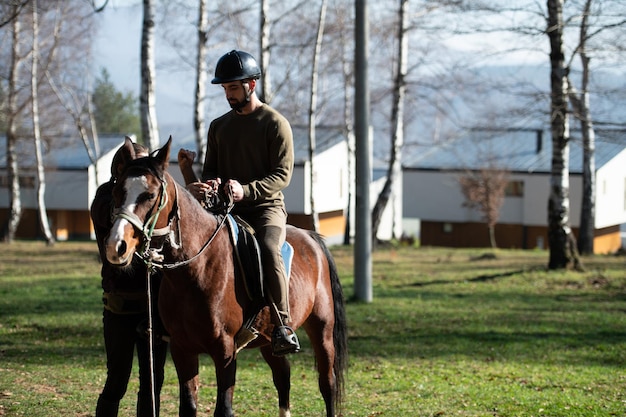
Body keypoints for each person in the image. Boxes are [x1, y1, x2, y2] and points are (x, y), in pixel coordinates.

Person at [185, 49, 300, 356]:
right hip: (225, 209)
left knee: (268, 249)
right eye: (225, 89)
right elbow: (212, 170)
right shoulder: (218, 127)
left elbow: (282, 175)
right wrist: (208, 183)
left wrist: (245, 191)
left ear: (251, 84)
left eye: (233, 88)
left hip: (266, 210)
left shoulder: (276, 124)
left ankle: (283, 326)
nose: (228, 95)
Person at [91, 142, 169, 417]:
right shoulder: (106, 196)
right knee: (116, 382)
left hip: (153, 310)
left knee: (151, 385)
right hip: (119, 308)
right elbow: (111, 217)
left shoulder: (154, 199)